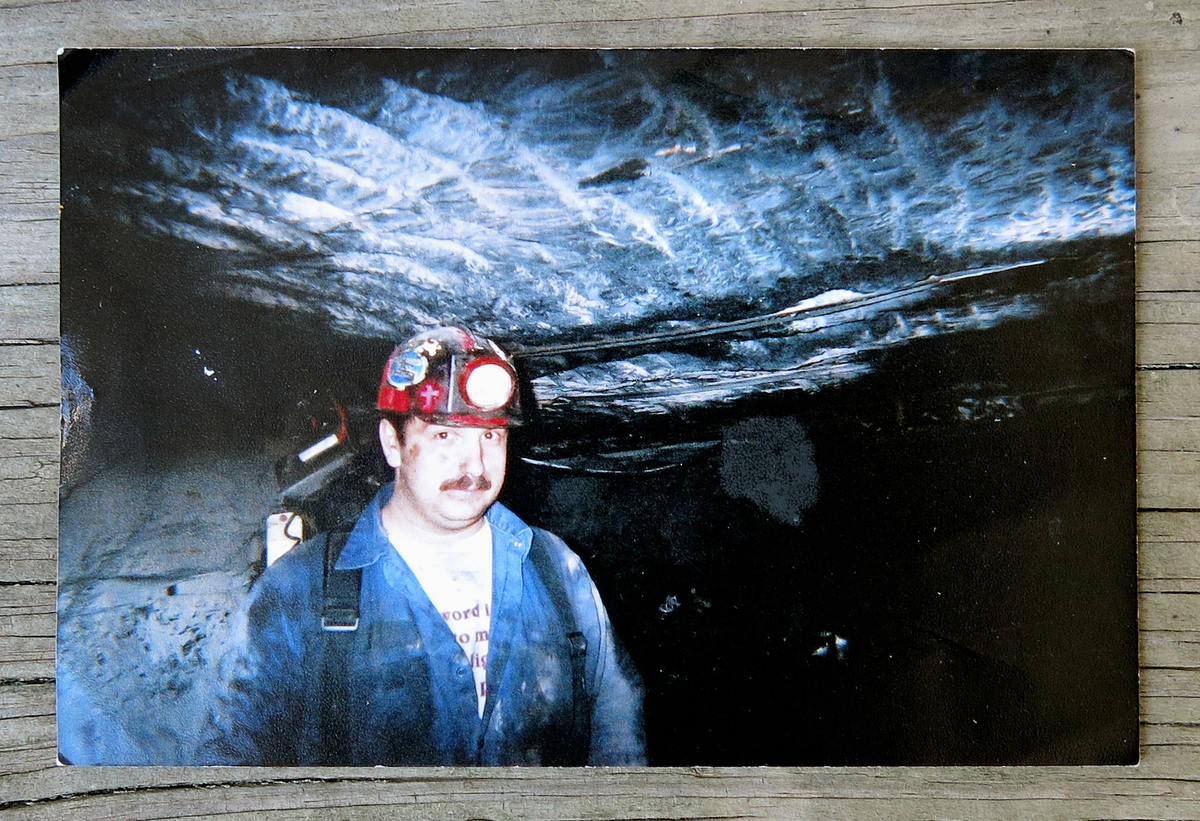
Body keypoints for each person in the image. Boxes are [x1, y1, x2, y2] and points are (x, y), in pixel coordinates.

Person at [202, 326, 645, 767]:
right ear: (392, 443)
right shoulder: (299, 589)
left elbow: (616, 713)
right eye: (445, 436)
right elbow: (232, 760)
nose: (474, 465)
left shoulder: (554, 565)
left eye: (491, 436)